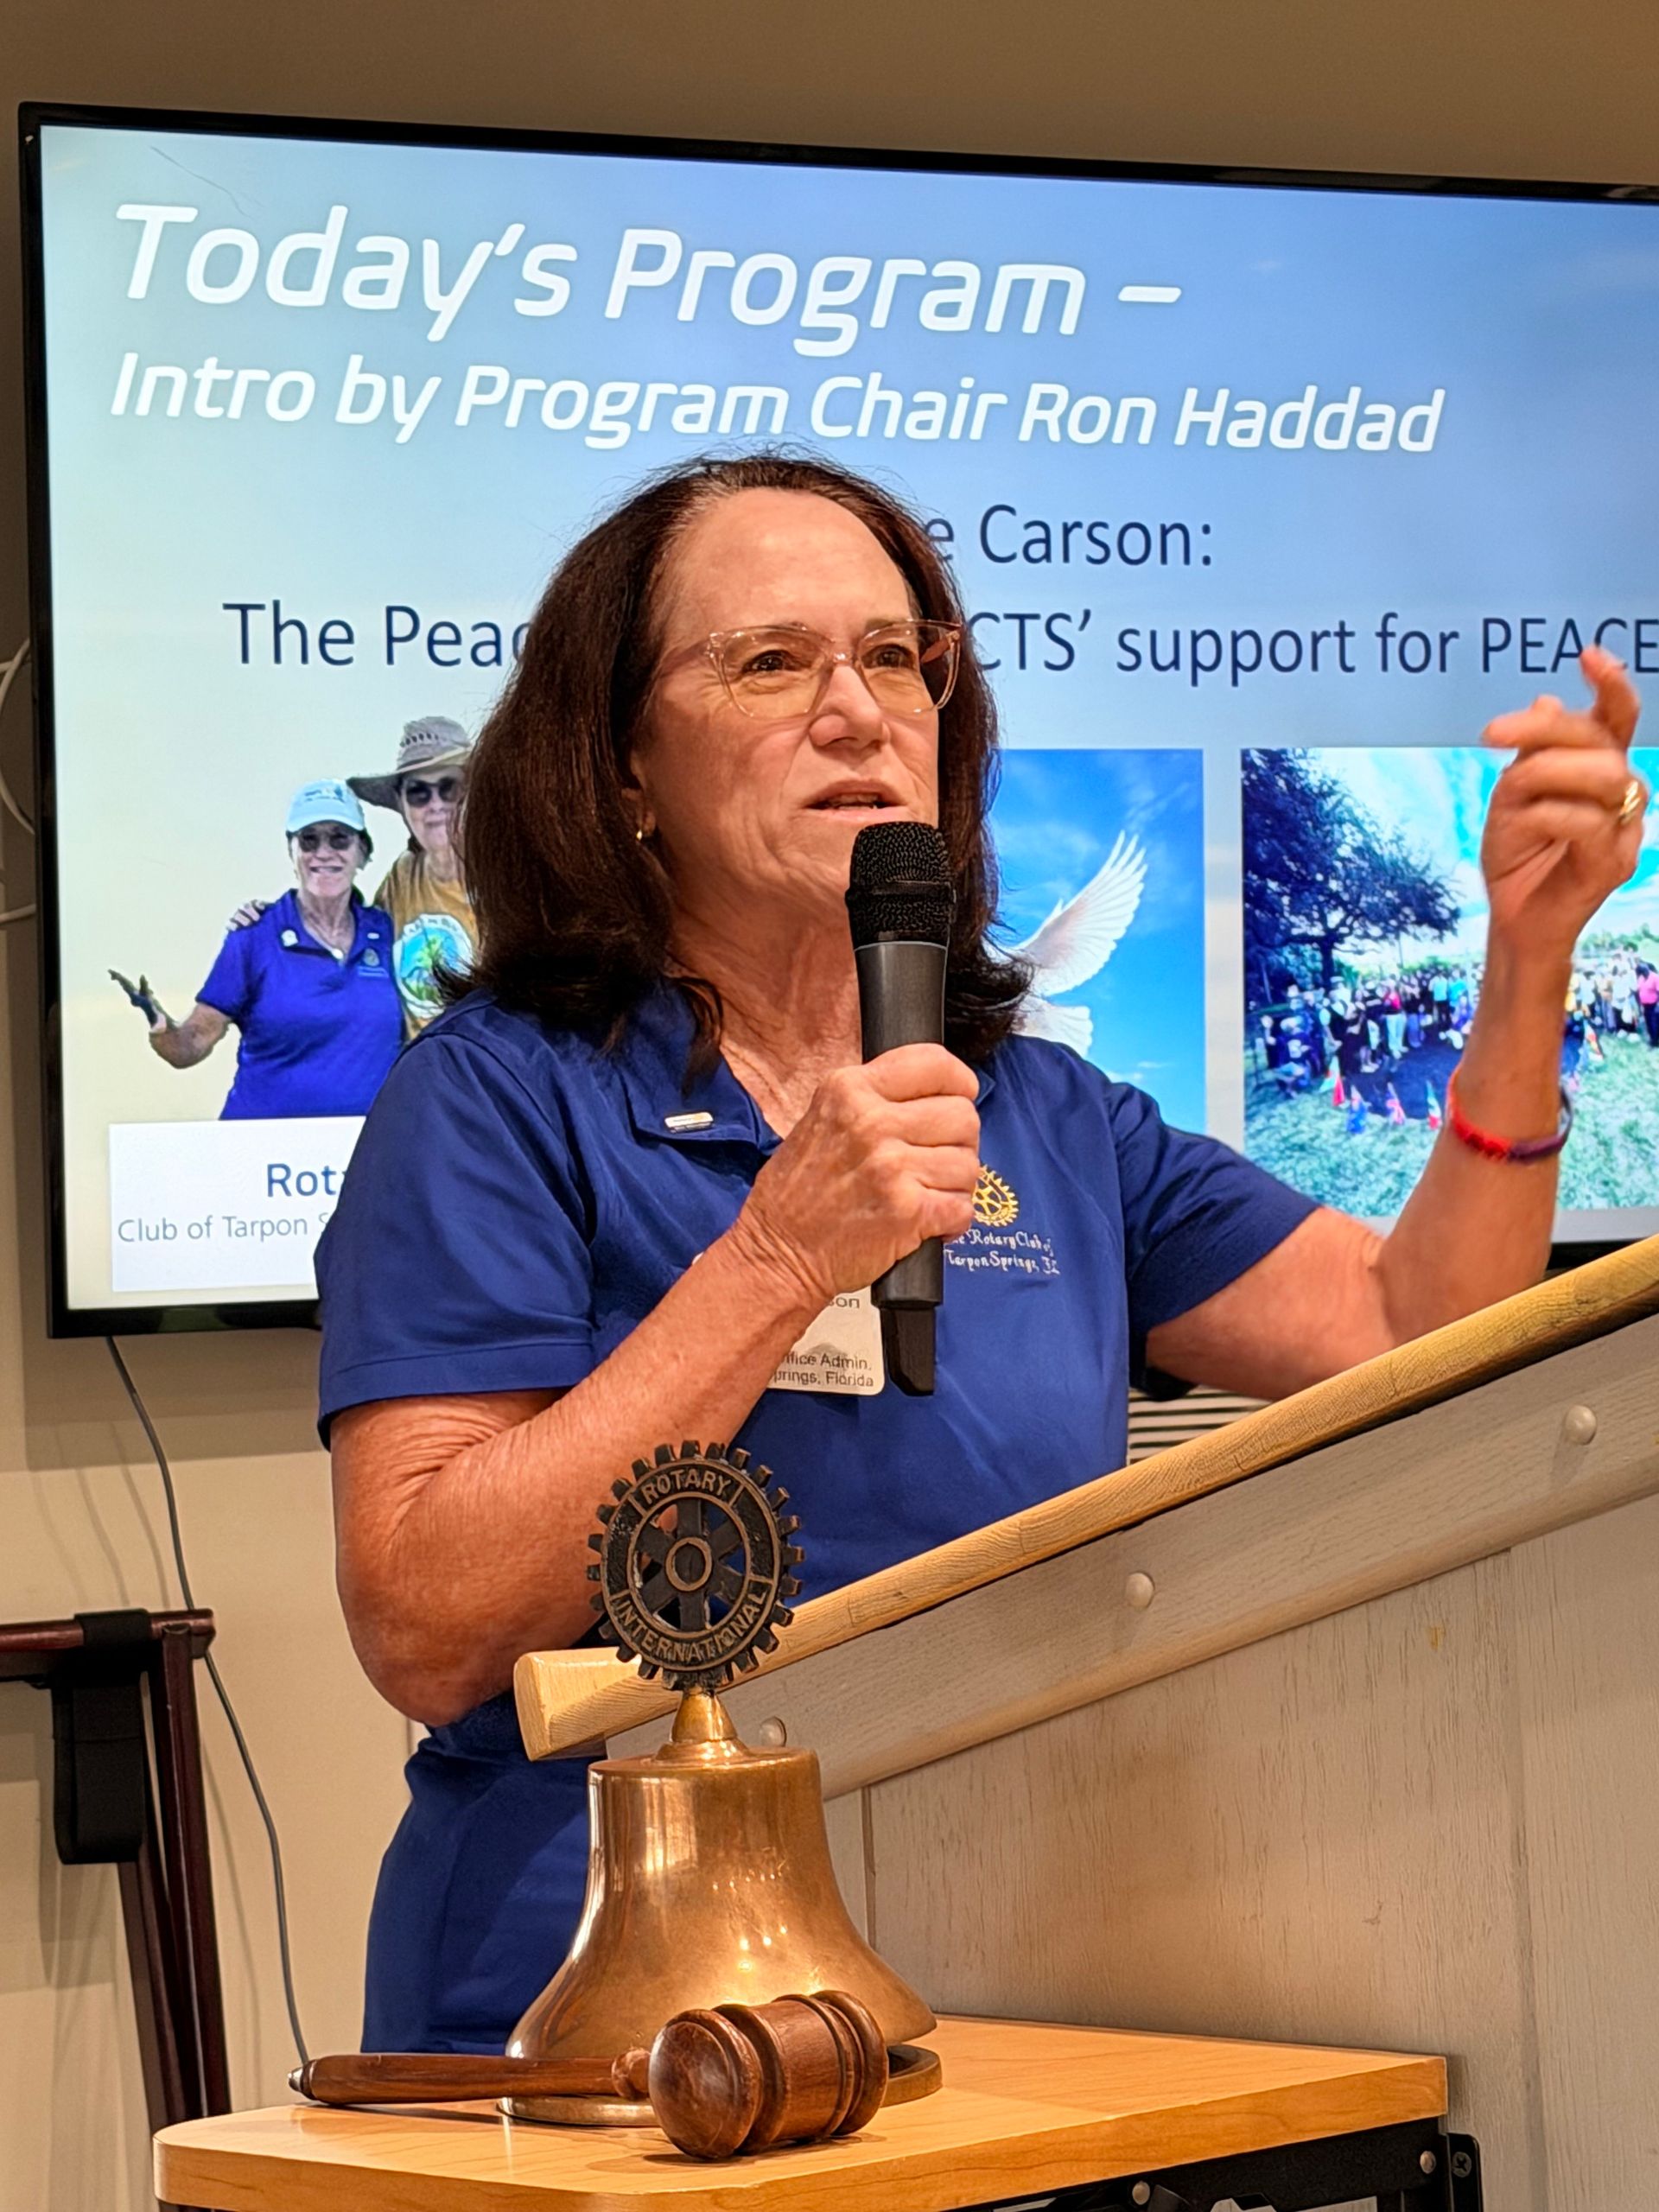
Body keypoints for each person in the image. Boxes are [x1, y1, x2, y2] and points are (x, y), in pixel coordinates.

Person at [313, 453, 1647, 2056]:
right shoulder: (499, 1098)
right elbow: (428, 1623)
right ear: (623, 772)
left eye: (897, 657)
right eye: (771, 661)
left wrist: (1526, 966)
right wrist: (776, 1257)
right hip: (597, 2027)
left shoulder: (1044, 1112)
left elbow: (1412, 1325)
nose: (857, 710)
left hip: (996, 1985)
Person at [111, 779, 401, 1118]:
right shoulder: (255, 936)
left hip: (367, 1141)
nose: (324, 852)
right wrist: (161, 1027)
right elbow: (192, 1043)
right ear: (292, 852)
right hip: (262, 1145)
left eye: (340, 838)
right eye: (309, 840)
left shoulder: (387, 931)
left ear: (362, 852)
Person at [348, 717, 477, 1035]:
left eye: (449, 788)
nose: (435, 805)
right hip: (417, 1062)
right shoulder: (403, 875)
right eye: (419, 793)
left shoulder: (511, 877)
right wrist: (268, 919)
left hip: (488, 1063)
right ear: (403, 806)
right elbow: (347, 936)